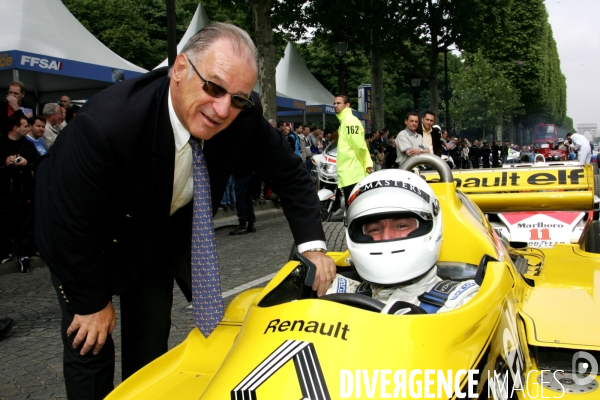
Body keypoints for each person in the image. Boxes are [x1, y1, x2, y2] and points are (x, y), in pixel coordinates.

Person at [34, 23, 335, 400]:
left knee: (150, 352)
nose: (223, 109)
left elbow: (291, 174)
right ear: (179, 69)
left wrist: (312, 245)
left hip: (154, 240)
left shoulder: (241, 114)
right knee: (90, 343)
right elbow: (64, 221)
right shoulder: (106, 123)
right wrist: (91, 303)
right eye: (214, 87)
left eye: (238, 98)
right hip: (83, 238)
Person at [327, 169, 479, 314]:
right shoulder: (338, 291)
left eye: (401, 226)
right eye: (374, 229)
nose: (387, 237)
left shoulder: (464, 302)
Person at [0, 115, 38, 272]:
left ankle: (24, 255)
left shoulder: (28, 146)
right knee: (3, 221)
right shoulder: (1, 145)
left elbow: (37, 162)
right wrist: (5, 163)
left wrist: (26, 163)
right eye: (25, 126)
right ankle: (6, 251)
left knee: (25, 224)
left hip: (24, 192)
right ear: (15, 128)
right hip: (4, 192)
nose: (28, 128)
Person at [334, 95, 373, 208]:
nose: (335, 106)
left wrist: (367, 164)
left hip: (352, 172)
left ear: (347, 105)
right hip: (349, 172)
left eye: (338, 103)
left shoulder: (350, 121)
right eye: (334, 103)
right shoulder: (346, 121)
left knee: (354, 207)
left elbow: (359, 146)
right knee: (353, 206)